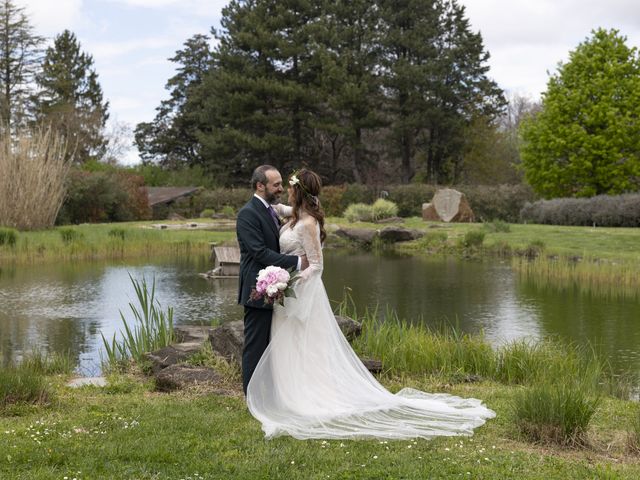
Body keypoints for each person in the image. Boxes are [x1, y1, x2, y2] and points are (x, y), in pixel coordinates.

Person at [246, 168, 495, 440]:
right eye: (281, 186)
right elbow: (275, 207)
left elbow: (316, 266)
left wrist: (288, 280)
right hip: (288, 294)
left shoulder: (307, 224)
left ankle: (308, 396)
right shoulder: (294, 215)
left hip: (302, 291)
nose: (285, 190)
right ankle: (288, 393)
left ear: (299, 192)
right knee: (288, 344)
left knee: (306, 345)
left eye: (289, 186)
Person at [236, 165, 308, 395]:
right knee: (255, 346)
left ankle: (271, 391)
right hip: (257, 289)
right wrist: (298, 262)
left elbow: (298, 208)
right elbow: (259, 253)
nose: (280, 188)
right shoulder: (248, 213)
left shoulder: (270, 209)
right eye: (275, 184)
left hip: (275, 286)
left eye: (281, 185)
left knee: (273, 345)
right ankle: (251, 396)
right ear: (260, 185)